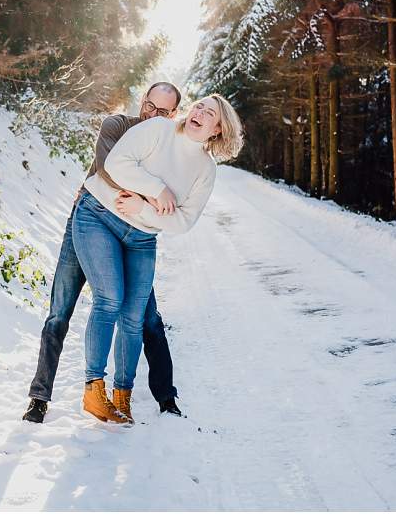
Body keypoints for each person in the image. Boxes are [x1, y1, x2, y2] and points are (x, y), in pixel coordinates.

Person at [73, 93, 243, 424]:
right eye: (199, 106)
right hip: (100, 214)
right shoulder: (159, 129)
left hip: (141, 236)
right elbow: (116, 163)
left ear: (218, 129)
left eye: (209, 114)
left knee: (135, 317)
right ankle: (94, 389)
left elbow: (183, 221)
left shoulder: (205, 171)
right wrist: (158, 191)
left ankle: (122, 395)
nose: (199, 113)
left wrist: (144, 208)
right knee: (109, 300)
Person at [22, 82, 184, 425]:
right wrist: (151, 193)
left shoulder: (165, 148)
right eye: (151, 107)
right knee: (59, 312)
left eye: (164, 112)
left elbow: (169, 196)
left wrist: (150, 198)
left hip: (128, 236)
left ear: (174, 116)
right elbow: (111, 168)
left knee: (147, 317)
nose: (154, 116)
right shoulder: (116, 125)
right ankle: (39, 397)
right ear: (143, 102)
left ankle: (166, 397)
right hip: (86, 225)